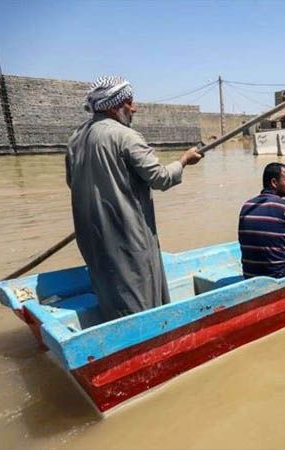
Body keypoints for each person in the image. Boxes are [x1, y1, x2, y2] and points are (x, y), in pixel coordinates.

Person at [66, 76, 204, 320]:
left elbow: (72, 182)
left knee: (108, 286)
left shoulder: (76, 138)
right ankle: (146, 341)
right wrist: (183, 161)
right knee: (140, 297)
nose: (134, 108)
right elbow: (160, 178)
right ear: (114, 105)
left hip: (91, 235)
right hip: (127, 234)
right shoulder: (126, 136)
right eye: (129, 102)